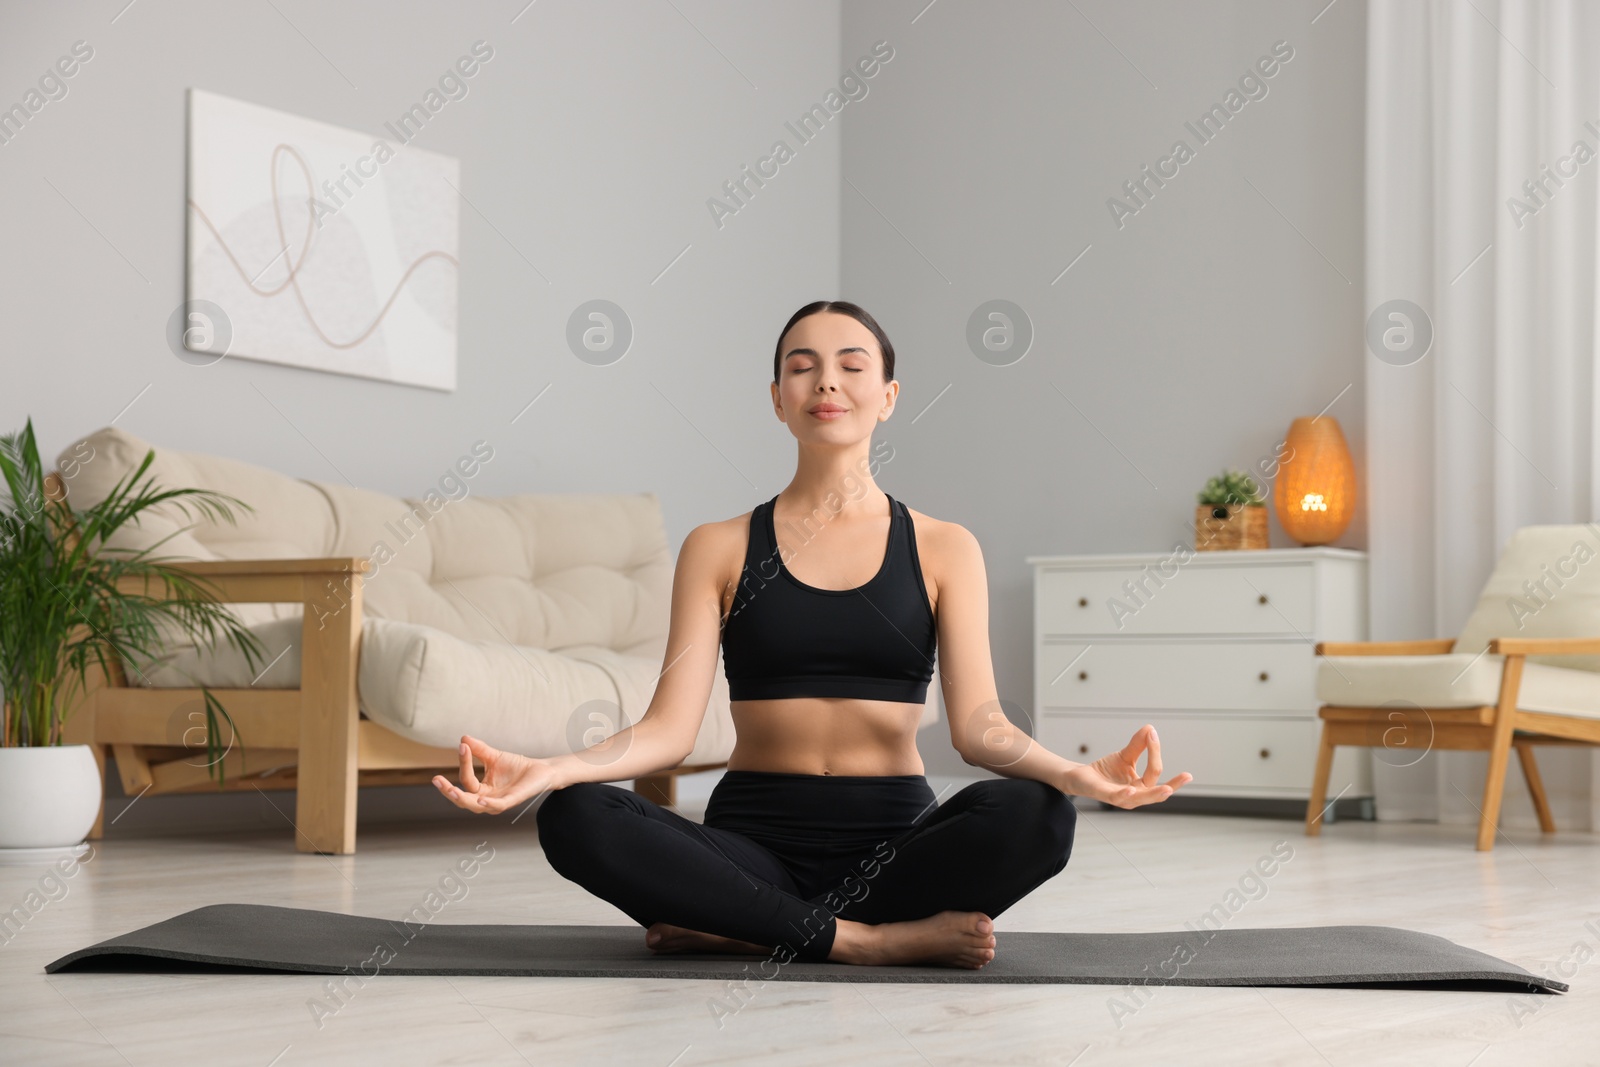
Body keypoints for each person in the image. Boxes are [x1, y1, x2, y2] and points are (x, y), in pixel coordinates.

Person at [433, 300, 1192, 969]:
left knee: (1039, 814)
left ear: (888, 396)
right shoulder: (719, 545)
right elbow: (667, 732)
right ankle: (866, 941)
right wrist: (551, 769)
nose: (827, 381)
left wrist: (1074, 775)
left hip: (892, 846)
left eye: (851, 365)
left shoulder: (944, 545)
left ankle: (746, 931)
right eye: (803, 367)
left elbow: (978, 727)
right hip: (749, 845)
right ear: (778, 399)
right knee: (575, 815)